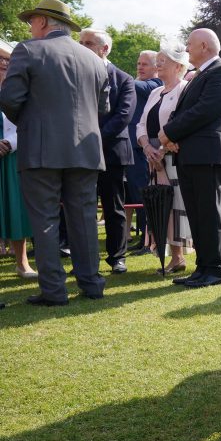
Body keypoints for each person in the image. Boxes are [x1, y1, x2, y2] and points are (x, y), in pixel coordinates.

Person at [0, 0, 109, 306]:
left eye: (32, 20)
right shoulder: (93, 60)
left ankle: (54, 290)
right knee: (84, 218)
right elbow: (103, 108)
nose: (30, 27)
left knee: (45, 220)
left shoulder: (29, 50)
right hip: (86, 151)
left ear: (44, 22)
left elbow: (8, 98)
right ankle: (91, 284)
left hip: (41, 150)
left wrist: (32, 123)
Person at [159, 28, 221, 289]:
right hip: (191, 155)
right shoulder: (200, 76)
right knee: (196, 214)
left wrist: (168, 133)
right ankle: (203, 267)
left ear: (204, 46)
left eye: (190, 43)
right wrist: (170, 137)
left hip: (208, 155)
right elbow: (185, 110)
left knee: (208, 213)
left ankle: (216, 268)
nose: (186, 47)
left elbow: (204, 111)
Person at [79, 28, 136, 274]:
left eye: (88, 43)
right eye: (80, 42)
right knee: (81, 209)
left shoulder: (123, 79)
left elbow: (123, 116)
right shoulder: (75, 75)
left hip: (111, 152)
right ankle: (85, 261)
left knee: (113, 207)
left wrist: (93, 139)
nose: (82, 46)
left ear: (105, 49)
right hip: (79, 152)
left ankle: (117, 257)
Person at [136, 42, 192, 273]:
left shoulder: (184, 89)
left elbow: (181, 124)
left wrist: (162, 150)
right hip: (152, 159)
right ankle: (167, 253)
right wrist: (147, 148)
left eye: (163, 61)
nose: (158, 64)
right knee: (159, 207)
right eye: (157, 60)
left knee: (176, 207)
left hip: (172, 159)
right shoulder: (154, 91)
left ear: (178, 66)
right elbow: (140, 124)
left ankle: (177, 257)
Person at [0, 39, 37, 280]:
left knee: (15, 210)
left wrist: (10, 144)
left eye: (7, 60)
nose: (4, 64)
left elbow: (29, 122)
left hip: (12, 156)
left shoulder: (21, 91)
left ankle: (22, 262)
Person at [126, 50, 162, 253]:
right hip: (134, 147)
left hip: (143, 150)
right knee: (137, 196)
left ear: (157, 67)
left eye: (145, 64)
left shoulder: (155, 85)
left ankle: (149, 240)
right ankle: (144, 239)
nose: (140, 67)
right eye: (138, 63)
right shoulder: (140, 85)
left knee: (144, 196)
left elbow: (132, 84)